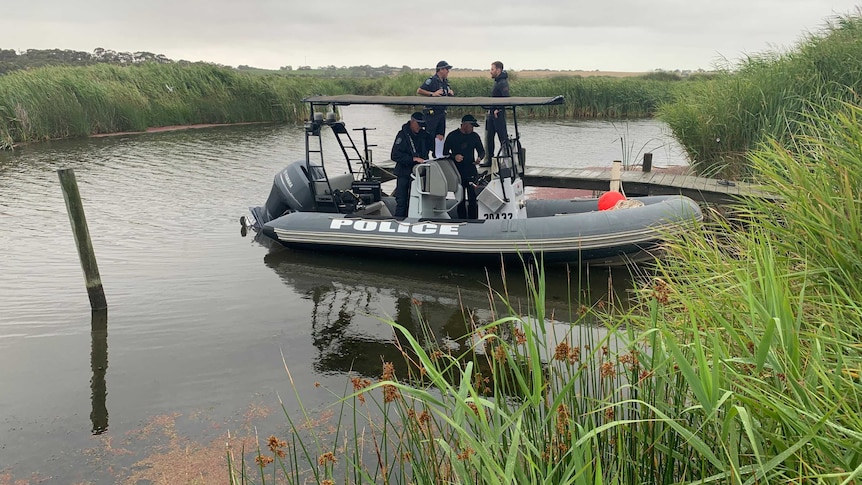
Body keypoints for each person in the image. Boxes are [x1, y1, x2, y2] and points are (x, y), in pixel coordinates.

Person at [390, 111, 434, 218]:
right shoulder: (402, 135)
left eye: (422, 126)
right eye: (418, 125)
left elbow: (434, 148)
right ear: (412, 122)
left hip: (420, 173)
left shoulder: (424, 136)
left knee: (418, 199)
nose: (420, 128)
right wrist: (412, 159)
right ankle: (399, 221)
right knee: (402, 200)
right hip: (404, 172)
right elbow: (395, 155)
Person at [443, 114, 486, 219]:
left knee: (473, 198)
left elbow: (482, 151)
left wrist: (479, 158)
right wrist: (454, 156)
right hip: (457, 172)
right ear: (465, 125)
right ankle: (461, 219)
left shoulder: (474, 136)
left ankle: (473, 220)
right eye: (471, 126)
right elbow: (444, 153)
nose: (472, 128)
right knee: (460, 199)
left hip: (471, 170)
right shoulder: (452, 136)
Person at [417, 60, 455, 158]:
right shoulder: (432, 80)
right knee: (429, 136)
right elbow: (420, 90)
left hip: (442, 113)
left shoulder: (445, 82)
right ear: (440, 70)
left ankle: (437, 155)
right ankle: (424, 156)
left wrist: (450, 94)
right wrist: (432, 94)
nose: (448, 71)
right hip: (432, 114)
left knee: (440, 136)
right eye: (446, 69)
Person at [484, 60, 510, 165]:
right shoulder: (497, 81)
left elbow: (506, 98)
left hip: (498, 114)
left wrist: (498, 109)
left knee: (502, 137)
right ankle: (490, 160)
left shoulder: (503, 82)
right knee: (489, 137)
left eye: (492, 69)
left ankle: (507, 160)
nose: (490, 71)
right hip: (491, 114)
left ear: (498, 70)